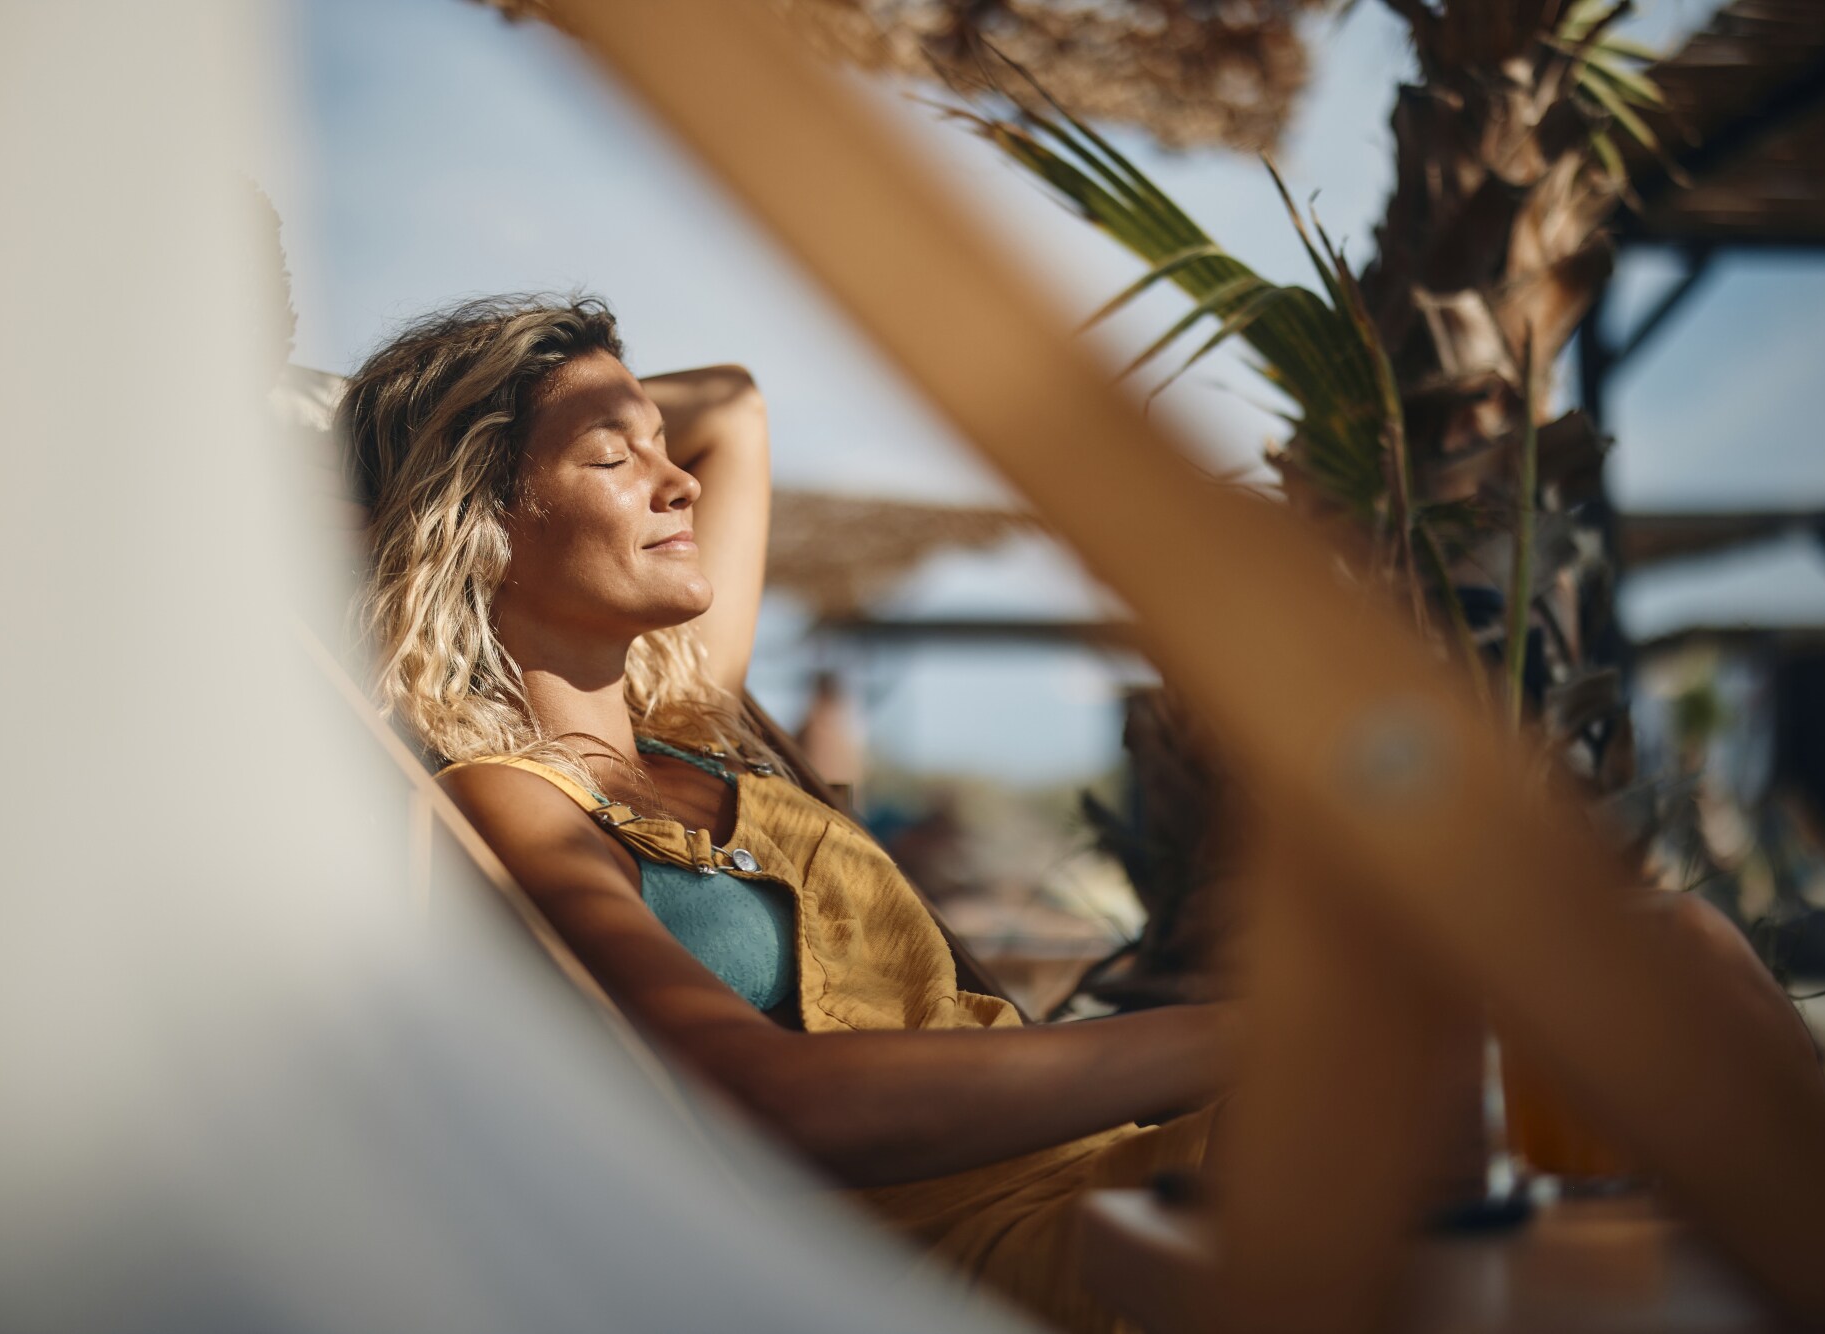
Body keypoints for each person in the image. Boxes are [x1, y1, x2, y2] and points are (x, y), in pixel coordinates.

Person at [340, 295, 1231, 1334]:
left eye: (659, 449)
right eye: (613, 459)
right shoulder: (504, 796)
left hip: (1093, 1174)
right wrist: (1237, 1035)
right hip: (958, 1243)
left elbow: (731, 404)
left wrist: (574, 426)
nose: (678, 479)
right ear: (481, 519)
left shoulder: (690, 728)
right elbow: (772, 1101)